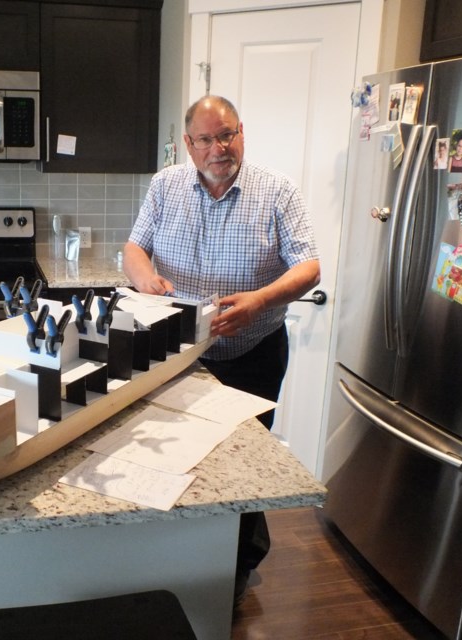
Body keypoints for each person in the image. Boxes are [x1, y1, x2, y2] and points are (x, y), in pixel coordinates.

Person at [123, 95, 320, 607]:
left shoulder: (277, 191)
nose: (219, 147)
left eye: (227, 134)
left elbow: (308, 268)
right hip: (178, 352)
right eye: (206, 138)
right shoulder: (165, 185)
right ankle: (174, 562)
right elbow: (134, 247)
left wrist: (259, 301)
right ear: (188, 144)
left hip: (253, 350)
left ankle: (234, 570)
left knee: (244, 465)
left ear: (242, 133)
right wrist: (144, 277)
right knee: (173, 459)